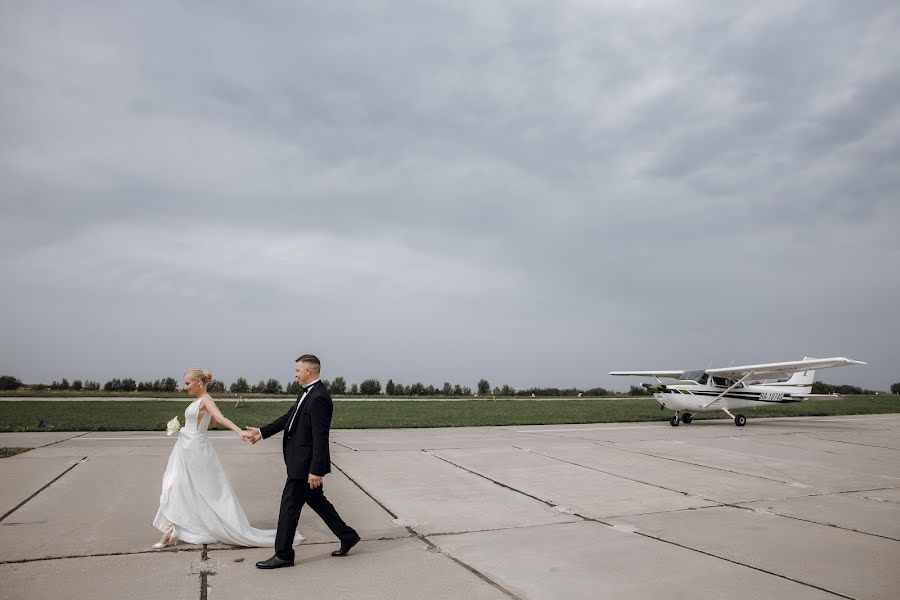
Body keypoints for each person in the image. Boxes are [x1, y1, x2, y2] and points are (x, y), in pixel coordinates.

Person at [152, 368, 304, 549]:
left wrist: (239, 431)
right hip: (186, 446)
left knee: (204, 490)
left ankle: (189, 526)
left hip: (196, 450)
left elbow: (220, 419)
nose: (185, 387)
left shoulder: (206, 400)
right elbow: (212, 423)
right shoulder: (199, 401)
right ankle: (170, 529)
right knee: (175, 485)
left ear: (199, 382)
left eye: (187, 383)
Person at [246, 354, 359, 569]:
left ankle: (284, 554)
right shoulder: (307, 393)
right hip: (301, 462)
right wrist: (262, 432)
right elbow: (288, 418)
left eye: (297, 370)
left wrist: (316, 470)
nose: (295, 374)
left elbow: (320, 435)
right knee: (318, 502)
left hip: (305, 465)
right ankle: (348, 535)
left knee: (289, 506)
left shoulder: (319, 397)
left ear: (308, 371)